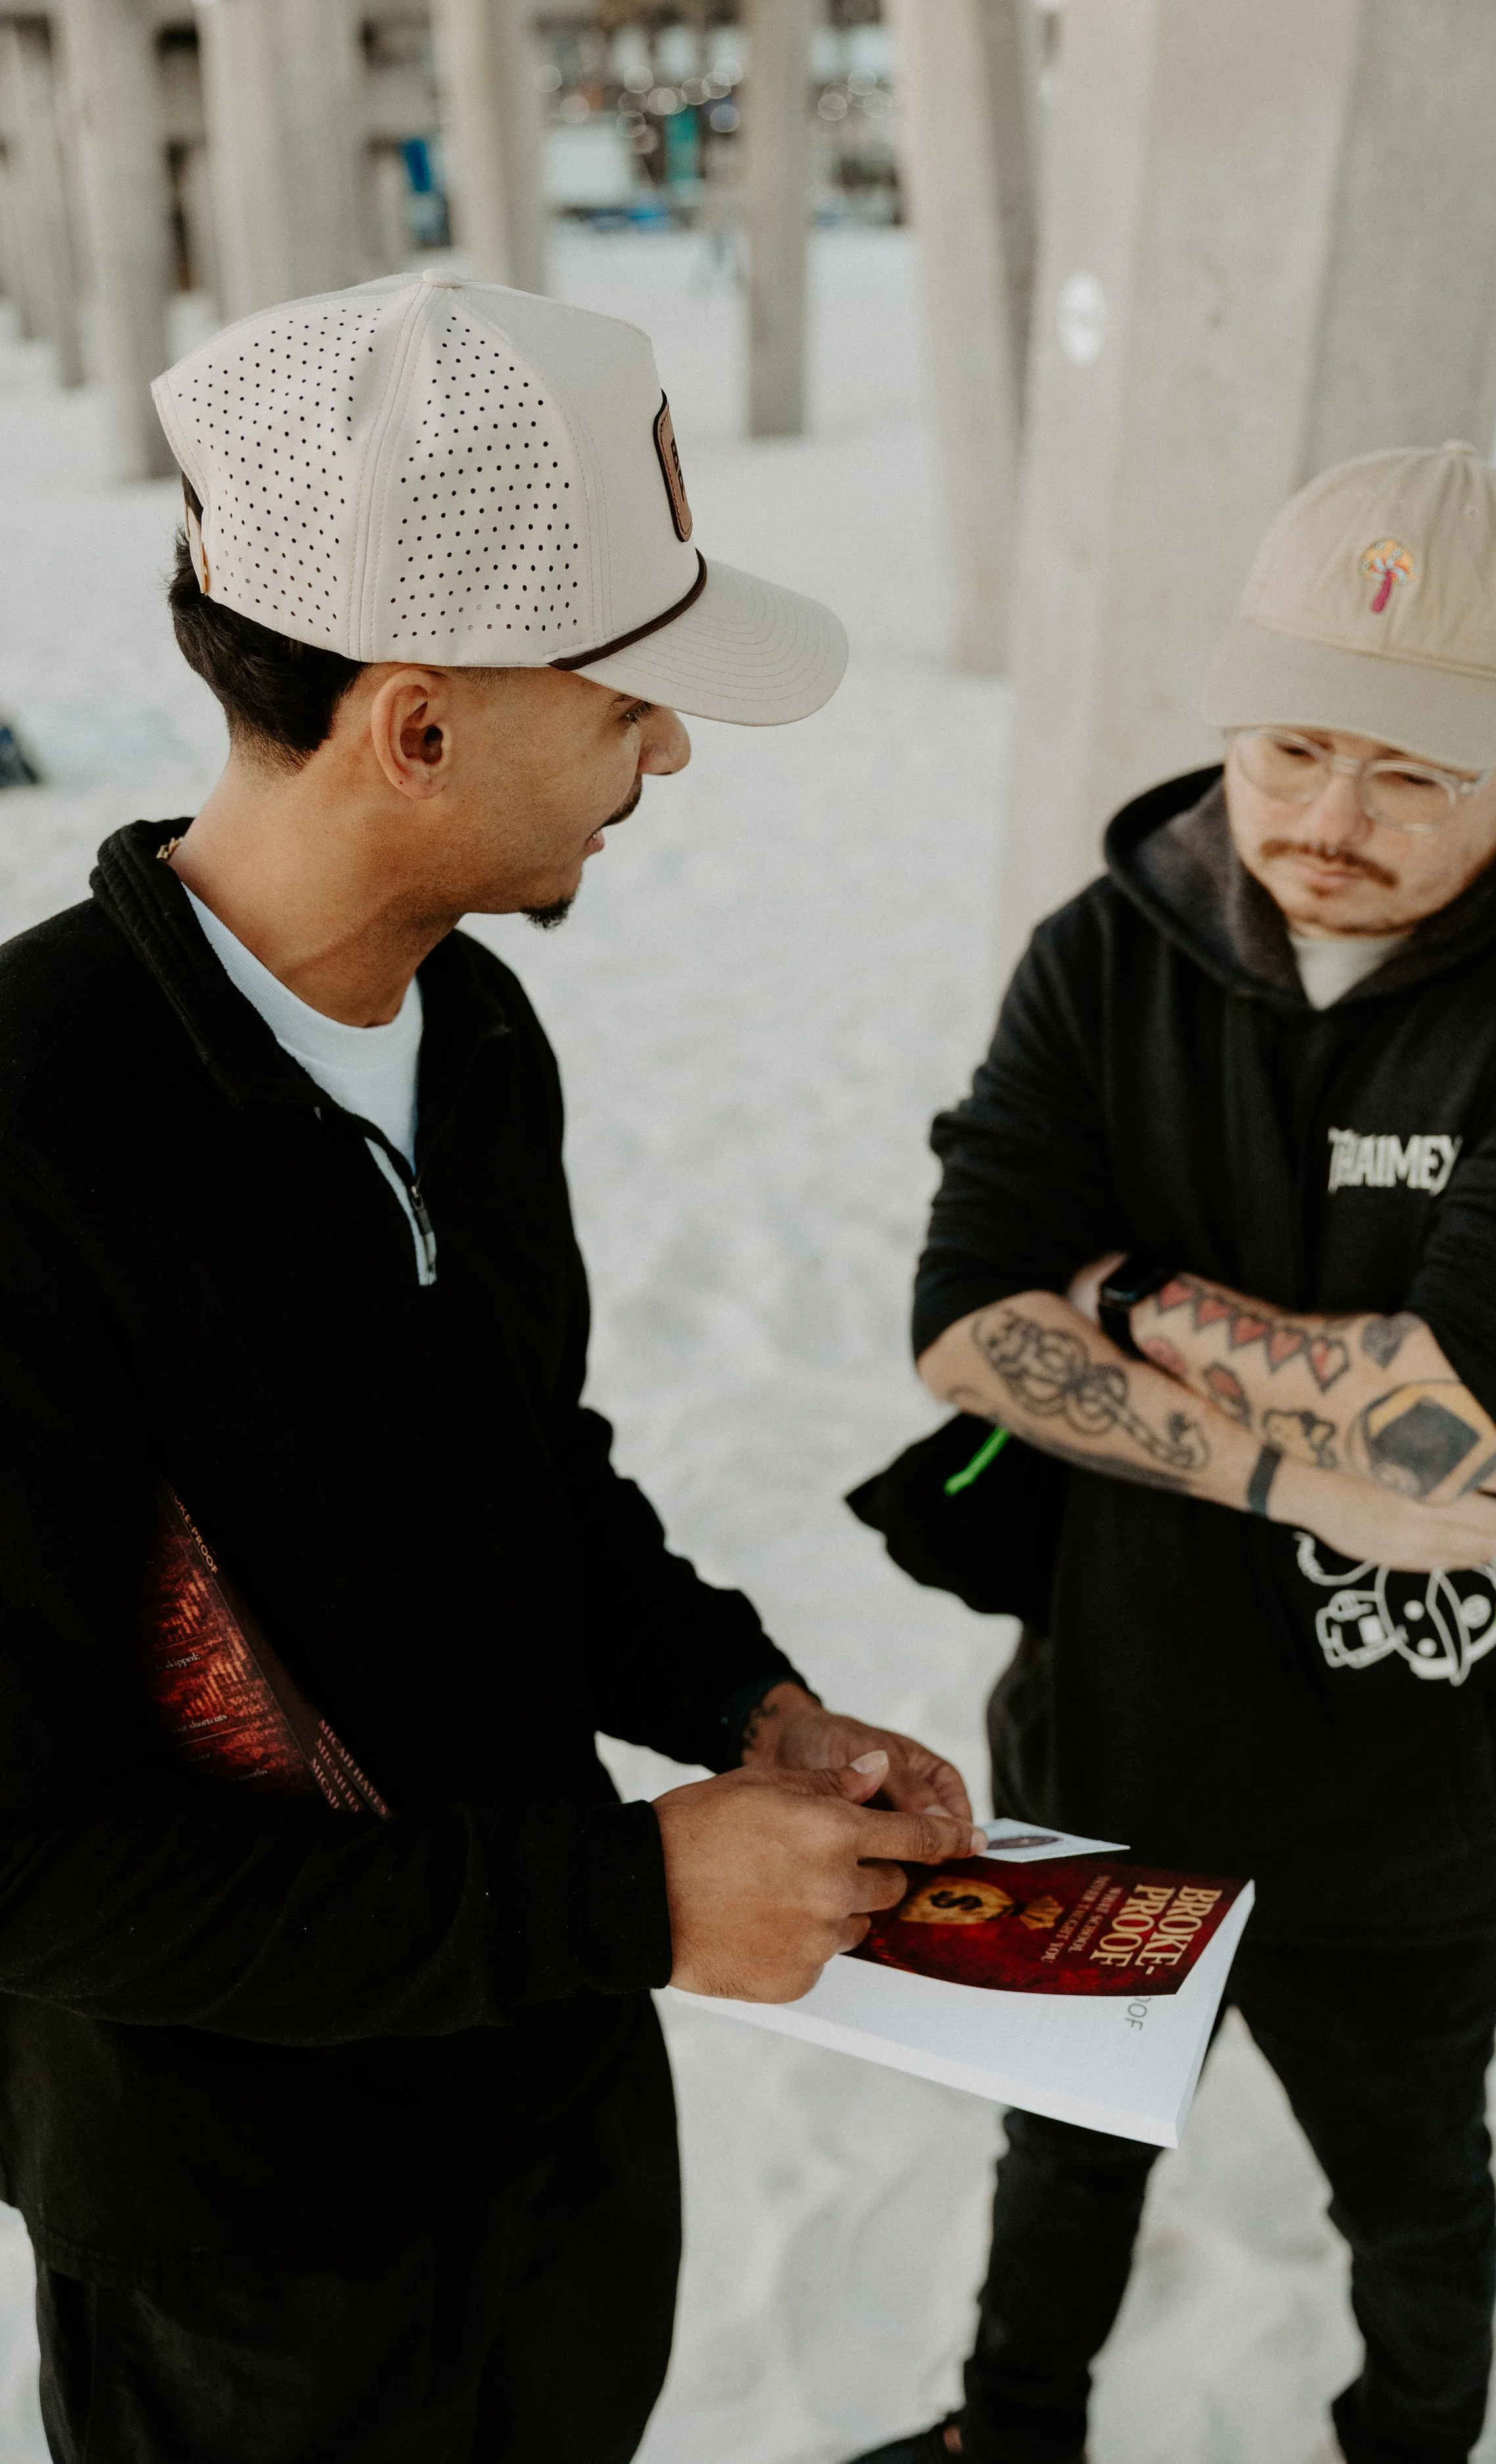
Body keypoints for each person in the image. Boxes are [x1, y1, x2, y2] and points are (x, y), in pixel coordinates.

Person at [0, 269, 986, 2464]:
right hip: (243, 2227)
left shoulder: (481, 1027)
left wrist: (748, 1705)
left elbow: (525, 1467)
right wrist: (637, 1890)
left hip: (553, 2108)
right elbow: (42, 1862)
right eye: (626, 695)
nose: (670, 748)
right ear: (416, 726)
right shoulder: (35, 1135)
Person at [852, 443, 1496, 2464]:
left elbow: (1444, 1394)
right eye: (1289, 750)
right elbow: (959, 1319)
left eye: (1408, 773)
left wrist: (1124, 1298)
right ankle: (1004, 2433)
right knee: (1062, 2143)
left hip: (1423, 1755)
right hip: (1112, 1710)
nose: (1326, 824)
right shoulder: (1100, 951)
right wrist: (1300, 1471)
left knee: (1407, 2182)